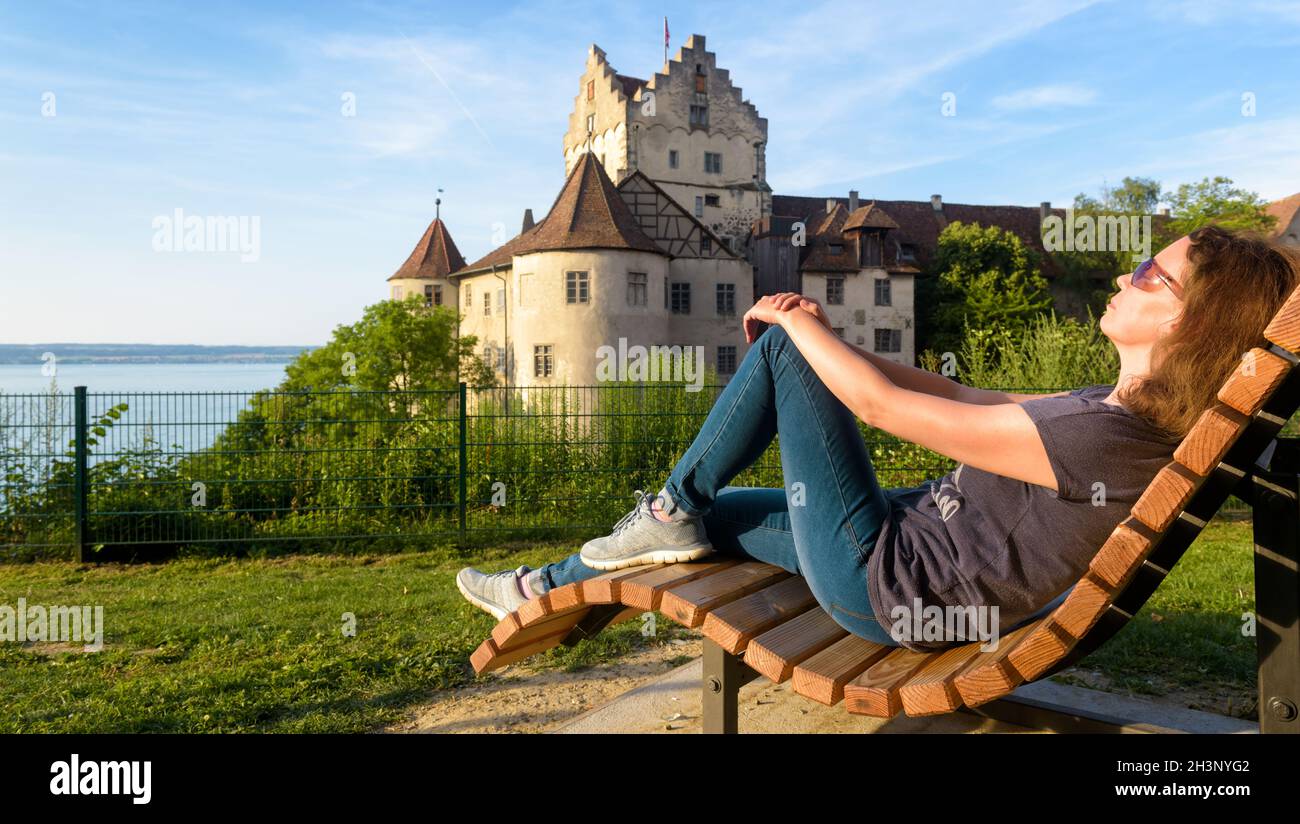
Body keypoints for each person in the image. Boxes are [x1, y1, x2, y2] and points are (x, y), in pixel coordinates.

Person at [456, 226, 1300, 651]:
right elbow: (965, 392)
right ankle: (546, 583)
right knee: (713, 522)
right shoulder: (1114, 416)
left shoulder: (1105, 443)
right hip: (898, 549)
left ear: (1189, 322)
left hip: (889, 588)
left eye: (1149, 274)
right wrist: (838, 341)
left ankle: (671, 502)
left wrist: (797, 327)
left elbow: (890, 412)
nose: (1123, 273)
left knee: (782, 348)